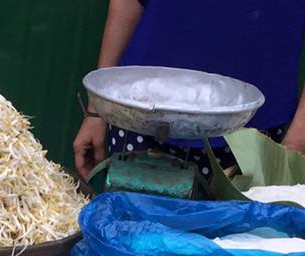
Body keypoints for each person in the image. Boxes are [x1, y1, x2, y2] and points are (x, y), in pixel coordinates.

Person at [74, 0, 305, 180]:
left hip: (252, 137)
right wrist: (97, 110)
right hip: (142, 116)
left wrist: (294, 144)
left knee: (233, 239)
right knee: (129, 234)